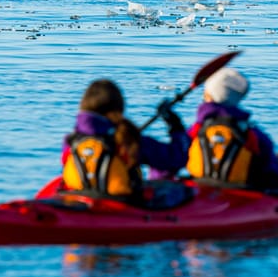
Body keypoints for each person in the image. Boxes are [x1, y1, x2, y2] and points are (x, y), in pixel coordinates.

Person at [61, 78, 189, 200]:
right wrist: (174, 124)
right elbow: (177, 157)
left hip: (78, 200)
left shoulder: (71, 141)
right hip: (124, 205)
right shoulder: (127, 139)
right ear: (118, 112)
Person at [186, 67, 278, 191]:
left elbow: (175, 156)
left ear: (207, 96)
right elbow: (276, 177)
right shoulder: (252, 134)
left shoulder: (196, 129)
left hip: (201, 186)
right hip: (243, 192)